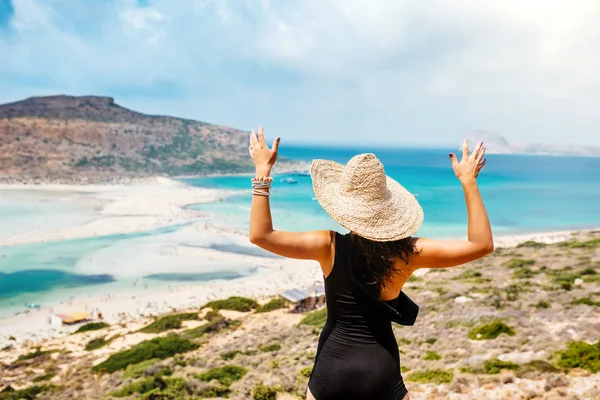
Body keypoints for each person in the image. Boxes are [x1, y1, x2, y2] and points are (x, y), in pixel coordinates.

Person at [248, 127, 493, 400]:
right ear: (389, 208)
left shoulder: (327, 246)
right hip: (381, 370)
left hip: (331, 370)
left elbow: (261, 235)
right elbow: (481, 245)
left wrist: (263, 171)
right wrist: (469, 182)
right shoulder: (410, 253)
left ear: (344, 207)